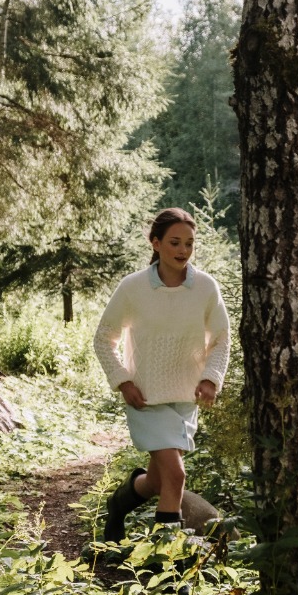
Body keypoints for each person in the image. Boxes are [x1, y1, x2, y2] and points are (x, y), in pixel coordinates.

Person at [93, 208, 230, 542]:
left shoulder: (205, 288)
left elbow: (221, 338)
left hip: (185, 399)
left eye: (189, 243)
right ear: (155, 243)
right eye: (174, 242)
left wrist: (211, 378)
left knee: (159, 480)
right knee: (176, 475)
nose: (182, 250)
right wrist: (123, 380)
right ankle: (165, 565)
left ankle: (118, 503)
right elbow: (103, 337)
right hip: (146, 398)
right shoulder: (133, 288)